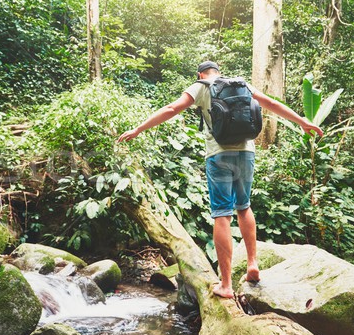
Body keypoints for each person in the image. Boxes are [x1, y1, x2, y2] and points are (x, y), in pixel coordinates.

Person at [118, 61, 323, 298]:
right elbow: (271, 103)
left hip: (219, 155)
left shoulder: (201, 86)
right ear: (219, 72)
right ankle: (252, 264)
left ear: (201, 74)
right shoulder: (240, 84)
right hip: (246, 153)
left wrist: (137, 129)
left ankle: (225, 285)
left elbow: (171, 109)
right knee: (244, 207)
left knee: (222, 214)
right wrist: (303, 122)